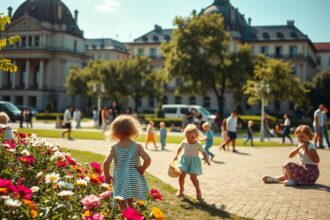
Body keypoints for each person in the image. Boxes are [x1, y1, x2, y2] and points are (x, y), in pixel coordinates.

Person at [103, 115, 151, 212]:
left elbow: (106, 163)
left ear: (114, 132)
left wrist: (106, 175)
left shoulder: (114, 148)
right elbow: (147, 159)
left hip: (120, 177)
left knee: (121, 200)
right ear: (133, 130)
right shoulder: (137, 146)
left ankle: (125, 216)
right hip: (134, 176)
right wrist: (143, 168)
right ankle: (132, 215)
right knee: (130, 199)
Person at [174, 124, 210, 200]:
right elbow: (179, 148)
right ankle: (181, 190)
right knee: (181, 175)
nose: (189, 139)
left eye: (192, 137)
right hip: (185, 161)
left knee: (193, 178)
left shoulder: (198, 144)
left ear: (196, 136)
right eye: (187, 137)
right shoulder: (184, 142)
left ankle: (198, 190)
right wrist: (176, 155)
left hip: (194, 163)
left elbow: (204, 152)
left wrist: (206, 159)